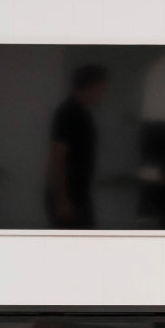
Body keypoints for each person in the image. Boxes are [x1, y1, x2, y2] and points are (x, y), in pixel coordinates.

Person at [45, 65, 107, 228]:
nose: (103, 93)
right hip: (68, 197)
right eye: (102, 87)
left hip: (78, 194)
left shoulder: (82, 113)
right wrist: (62, 201)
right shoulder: (69, 113)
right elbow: (56, 159)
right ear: (92, 86)